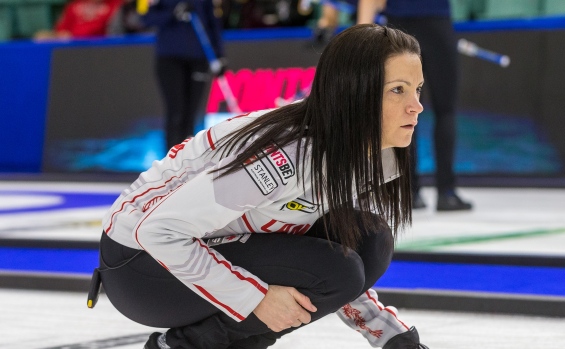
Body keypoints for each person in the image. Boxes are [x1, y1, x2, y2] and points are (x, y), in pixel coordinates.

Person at [93, 24, 429, 349]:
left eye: (417, 89)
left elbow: (343, 253)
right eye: (397, 89)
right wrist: (254, 298)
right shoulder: (289, 156)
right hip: (138, 266)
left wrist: (390, 336)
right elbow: (159, 231)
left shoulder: (373, 156)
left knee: (371, 240)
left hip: (190, 246)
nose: (417, 106)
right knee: (336, 271)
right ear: (353, 91)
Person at [360, 0, 472, 211]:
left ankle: (409, 192)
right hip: (434, 23)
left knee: (403, 110)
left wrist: (362, 33)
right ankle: (445, 192)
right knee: (445, 110)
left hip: (400, 26)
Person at [140, 0, 226, 153]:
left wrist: (219, 56)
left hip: (198, 58)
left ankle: (186, 161)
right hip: (170, 59)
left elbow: (213, 24)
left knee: (191, 114)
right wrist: (173, 12)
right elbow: (147, 19)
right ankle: (170, 161)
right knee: (176, 111)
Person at [34, 0, 123, 40]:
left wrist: (73, 36)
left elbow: (106, 31)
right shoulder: (74, 6)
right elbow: (62, 30)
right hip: (73, 50)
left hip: (102, 50)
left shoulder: (117, 4)